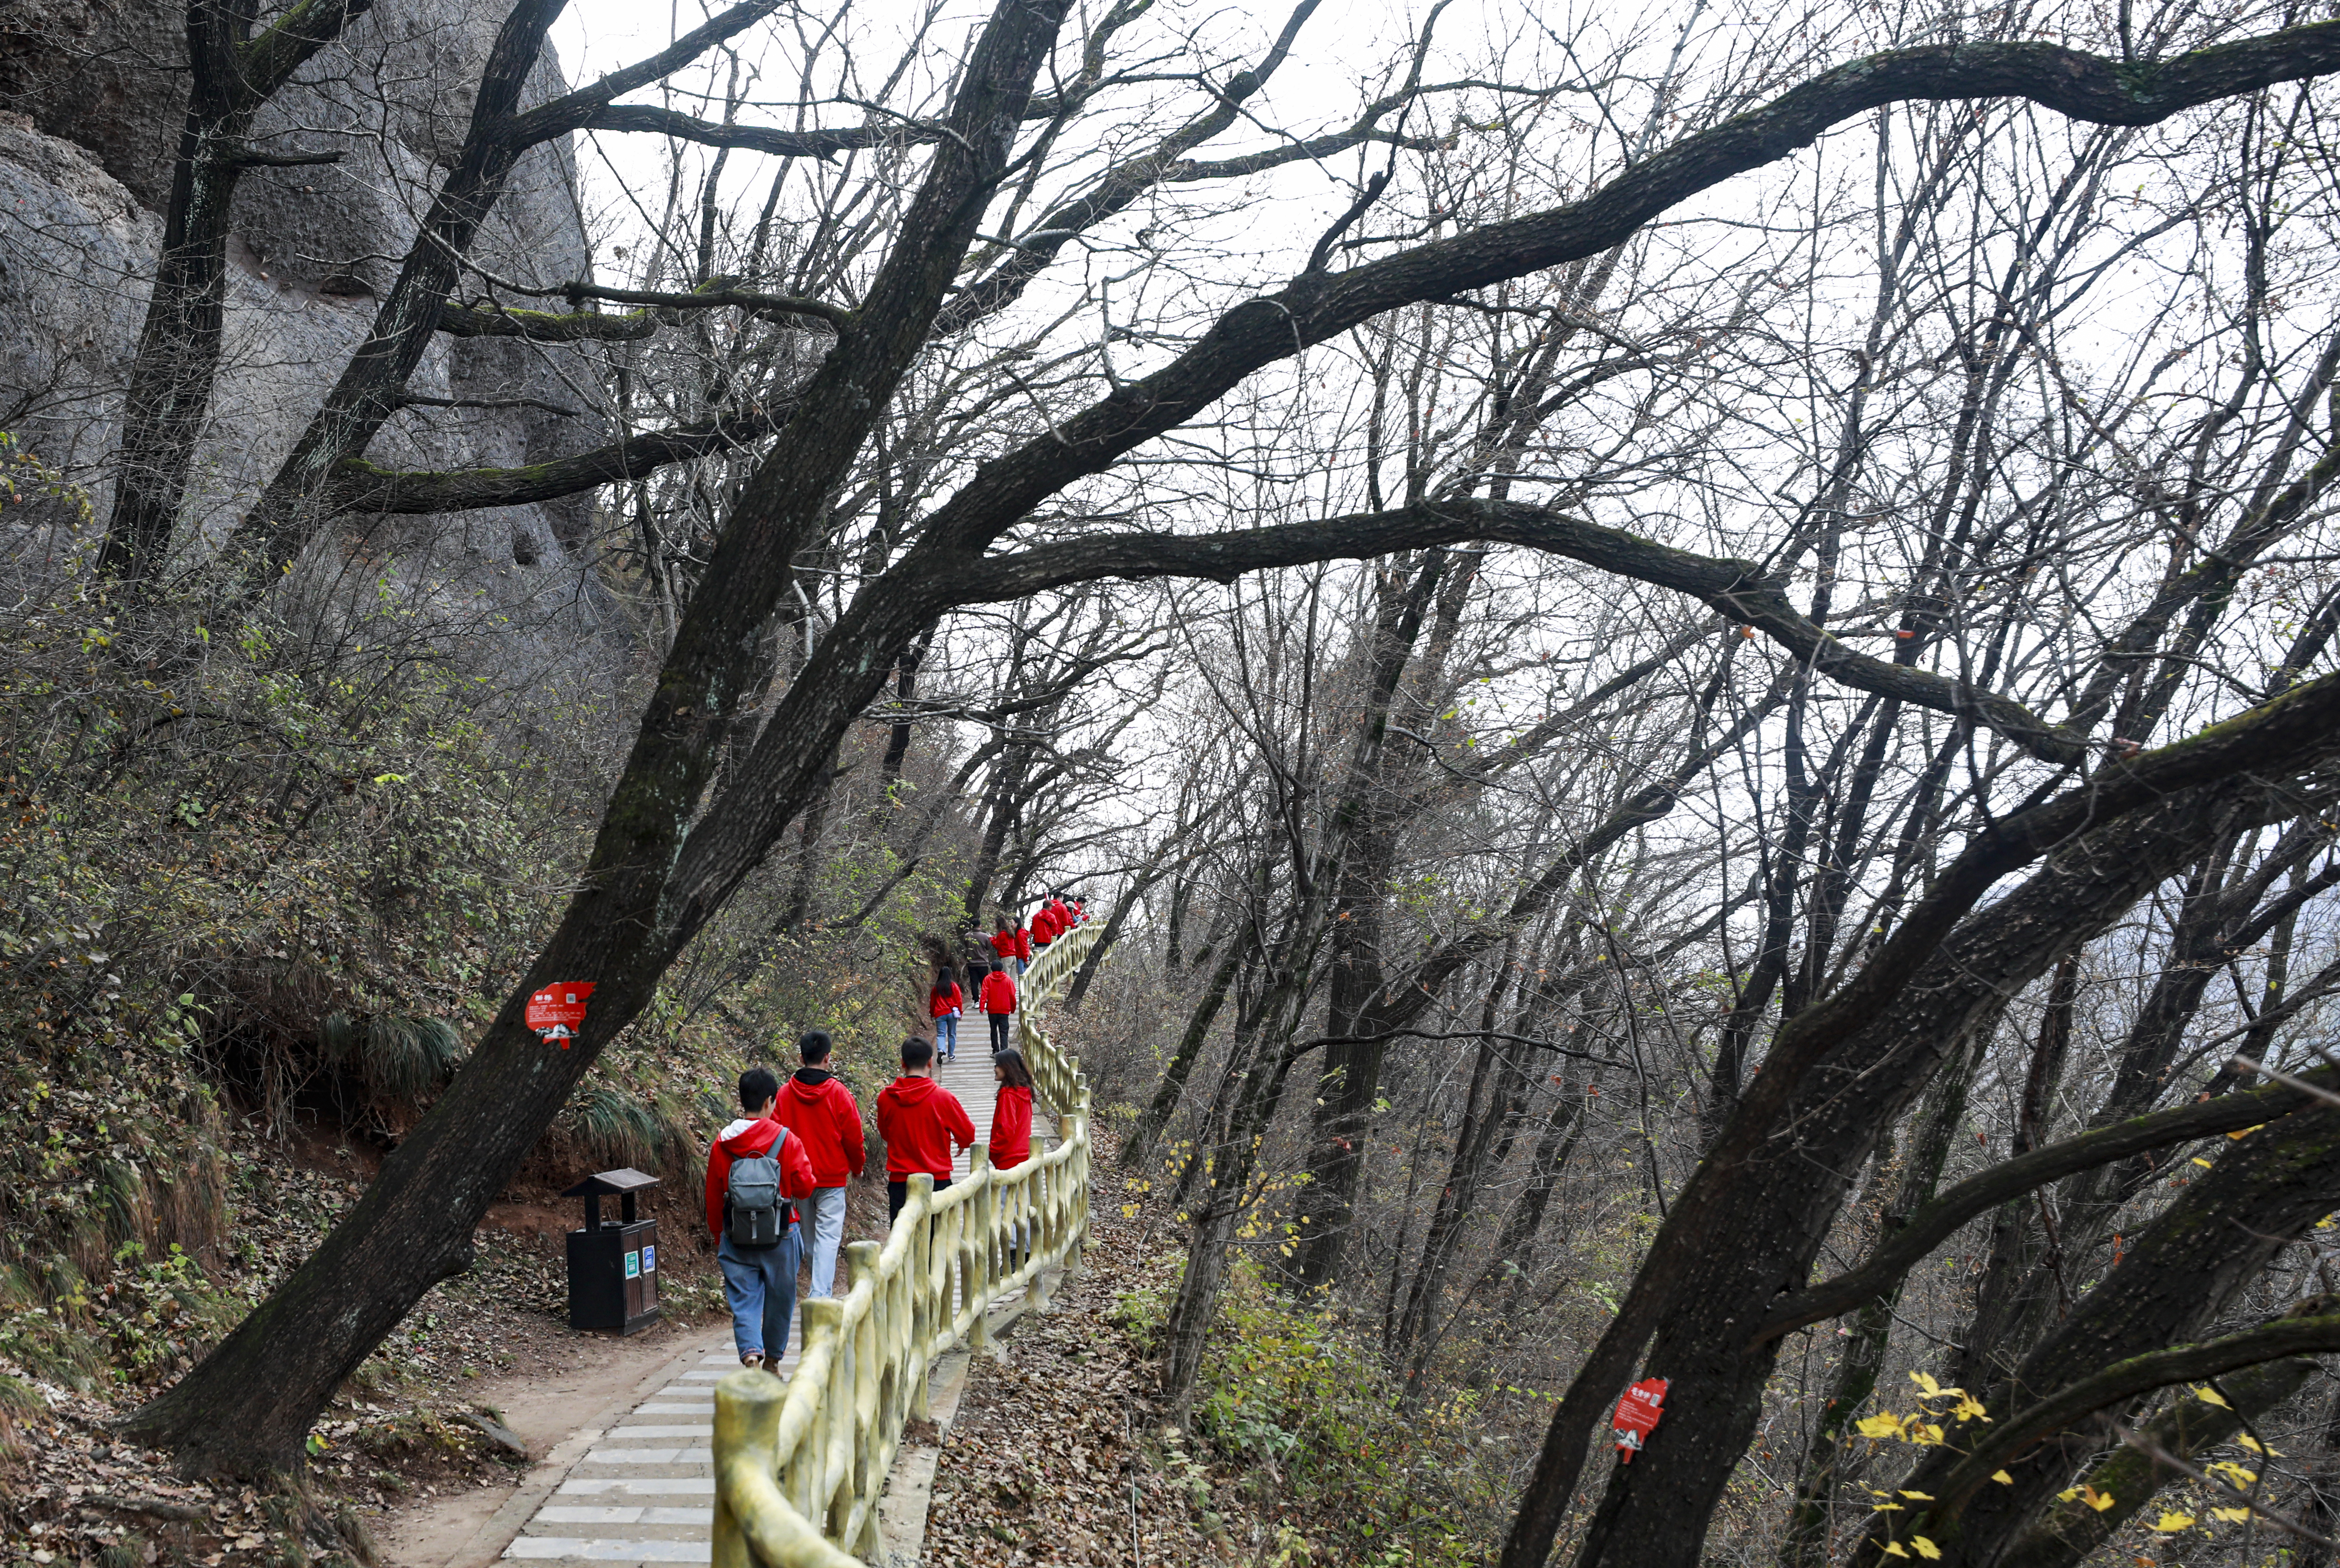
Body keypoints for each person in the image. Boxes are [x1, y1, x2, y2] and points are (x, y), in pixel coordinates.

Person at [704, 1067, 817, 1370]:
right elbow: (806, 1187)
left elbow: (714, 1195)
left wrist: (719, 1235)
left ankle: (751, 1352)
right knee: (781, 1299)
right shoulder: (786, 1139)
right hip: (781, 1233)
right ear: (770, 1101)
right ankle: (774, 1362)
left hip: (736, 1235)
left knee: (744, 1299)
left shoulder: (722, 1143)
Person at [770, 1031, 865, 1301]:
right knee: (827, 1239)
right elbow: (854, 1137)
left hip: (800, 1179)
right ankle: (820, 1295)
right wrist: (857, 1166)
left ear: (801, 1058)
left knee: (811, 1241)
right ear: (828, 1058)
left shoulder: (785, 1094)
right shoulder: (839, 1093)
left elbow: (775, 1135)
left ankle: (818, 1292)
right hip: (832, 1178)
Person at [876, 1037, 976, 1223]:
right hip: (937, 1180)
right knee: (938, 1240)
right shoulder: (943, 1098)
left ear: (903, 1063)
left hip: (900, 1181)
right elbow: (968, 1134)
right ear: (930, 1062)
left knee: (903, 1239)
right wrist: (962, 1142)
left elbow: (885, 1133)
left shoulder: (886, 1098)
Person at [990, 1046, 1037, 1270]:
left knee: (1005, 1208)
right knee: (1022, 1206)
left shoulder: (1009, 1095)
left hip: (1008, 1159)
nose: (995, 1069)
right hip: (1023, 1157)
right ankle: (1025, 1252)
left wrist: (990, 1151)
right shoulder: (1024, 1093)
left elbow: (1006, 1130)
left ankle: (1013, 1256)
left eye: (998, 1065)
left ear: (1007, 1068)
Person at [979, 960, 1017, 1055]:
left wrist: (982, 1007)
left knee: (993, 1030)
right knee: (1004, 1031)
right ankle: (1004, 1051)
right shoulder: (1008, 980)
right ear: (1002, 968)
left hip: (992, 1009)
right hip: (1004, 1009)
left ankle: (995, 1050)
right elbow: (1012, 995)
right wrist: (1013, 1008)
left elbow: (984, 993)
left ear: (991, 969)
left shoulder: (988, 979)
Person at [929, 964, 964, 1062]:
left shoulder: (936, 988)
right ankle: (951, 1055)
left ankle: (941, 1050)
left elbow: (932, 1002)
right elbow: (959, 1000)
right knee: (952, 1034)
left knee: (941, 1034)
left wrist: (932, 1014)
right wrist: (960, 1013)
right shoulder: (954, 986)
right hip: (952, 1013)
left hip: (940, 1013)